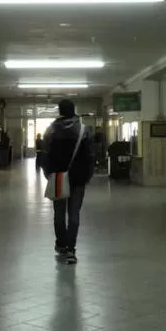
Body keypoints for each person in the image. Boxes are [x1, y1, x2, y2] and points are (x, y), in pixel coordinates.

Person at [42, 99, 93, 264]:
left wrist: (48, 174)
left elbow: (45, 155)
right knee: (74, 214)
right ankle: (71, 250)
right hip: (78, 179)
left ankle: (61, 244)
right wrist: (86, 176)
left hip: (58, 177)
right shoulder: (84, 130)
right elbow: (90, 156)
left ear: (60, 110)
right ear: (73, 110)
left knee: (58, 213)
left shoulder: (51, 130)